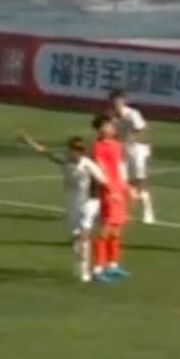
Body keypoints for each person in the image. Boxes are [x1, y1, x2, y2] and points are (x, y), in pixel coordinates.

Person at [20, 133, 108, 283]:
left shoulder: (88, 164)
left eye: (79, 151)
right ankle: (79, 260)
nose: (76, 154)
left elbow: (104, 181)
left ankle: (84, 270)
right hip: (72, 203)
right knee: (76, 237)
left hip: (88, 203)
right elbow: (47, 154)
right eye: (73, 150)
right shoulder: (66, 161)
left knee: (84, 234)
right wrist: (30, 142)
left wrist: (105, 200)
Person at [91, 114, 131, 282]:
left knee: (117, 230)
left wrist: (127, 187)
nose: (110, 128)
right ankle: (98, 269)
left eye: (111, 125)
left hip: (120, 189)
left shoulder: (117, 145)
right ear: (100, 129)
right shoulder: (98, 147)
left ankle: (113, 265)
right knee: (105, 230)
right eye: (107, 125)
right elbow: (100, 169)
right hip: (109, 191)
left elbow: (121, 167)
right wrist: (110, 189)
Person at [109, 89, 156, 224]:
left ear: (124, 100)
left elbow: (143, 128)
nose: (117, 102)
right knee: (123, 181)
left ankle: (148, 211)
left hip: (137, 150)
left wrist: (136, 138)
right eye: (114, 100)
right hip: (122, 150)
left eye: (119, 99)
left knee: (140, 181)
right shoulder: (111, 116)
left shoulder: (132, 114)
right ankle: (123, 211)